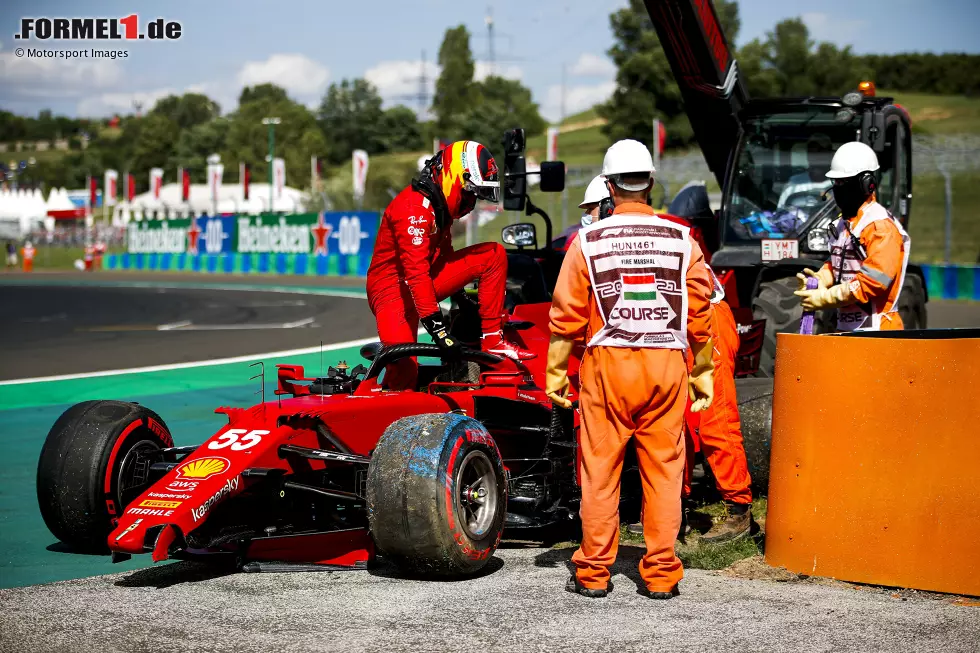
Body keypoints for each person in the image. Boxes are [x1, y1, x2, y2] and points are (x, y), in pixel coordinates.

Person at [546, 139, 715, 600]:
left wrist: (556, 373)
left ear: (609, 186)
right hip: (667, 367)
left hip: (606, 368)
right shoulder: (683, 240)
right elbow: (700, 312)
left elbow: (566, 316)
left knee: (600, 474)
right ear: (651, 183)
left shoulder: (587, 242)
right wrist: (703, 370)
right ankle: (661, 574)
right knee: (664, 473)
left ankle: (594, 573)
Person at [367, 140, 535, 391]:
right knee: (403, 368)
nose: (471, 203)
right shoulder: (414, 209)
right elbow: (416, 274)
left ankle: (492, 340)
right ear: (454, 178)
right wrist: (439, 332)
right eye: (470, 192)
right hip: (392, 293)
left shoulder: (438, 206)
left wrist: (464, 301)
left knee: (493, 254)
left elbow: (444, 259)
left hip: (419, 283)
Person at [795, 141, 910, 330]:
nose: (838, 187)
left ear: (866, 183)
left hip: (879, 333)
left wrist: (828, 298)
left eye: (844, 181)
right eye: (836, 182)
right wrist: (820, 280)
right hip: (849, 330)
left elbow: (875, 281)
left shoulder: (880, 227)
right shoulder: (844, 223)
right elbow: (840, 262)